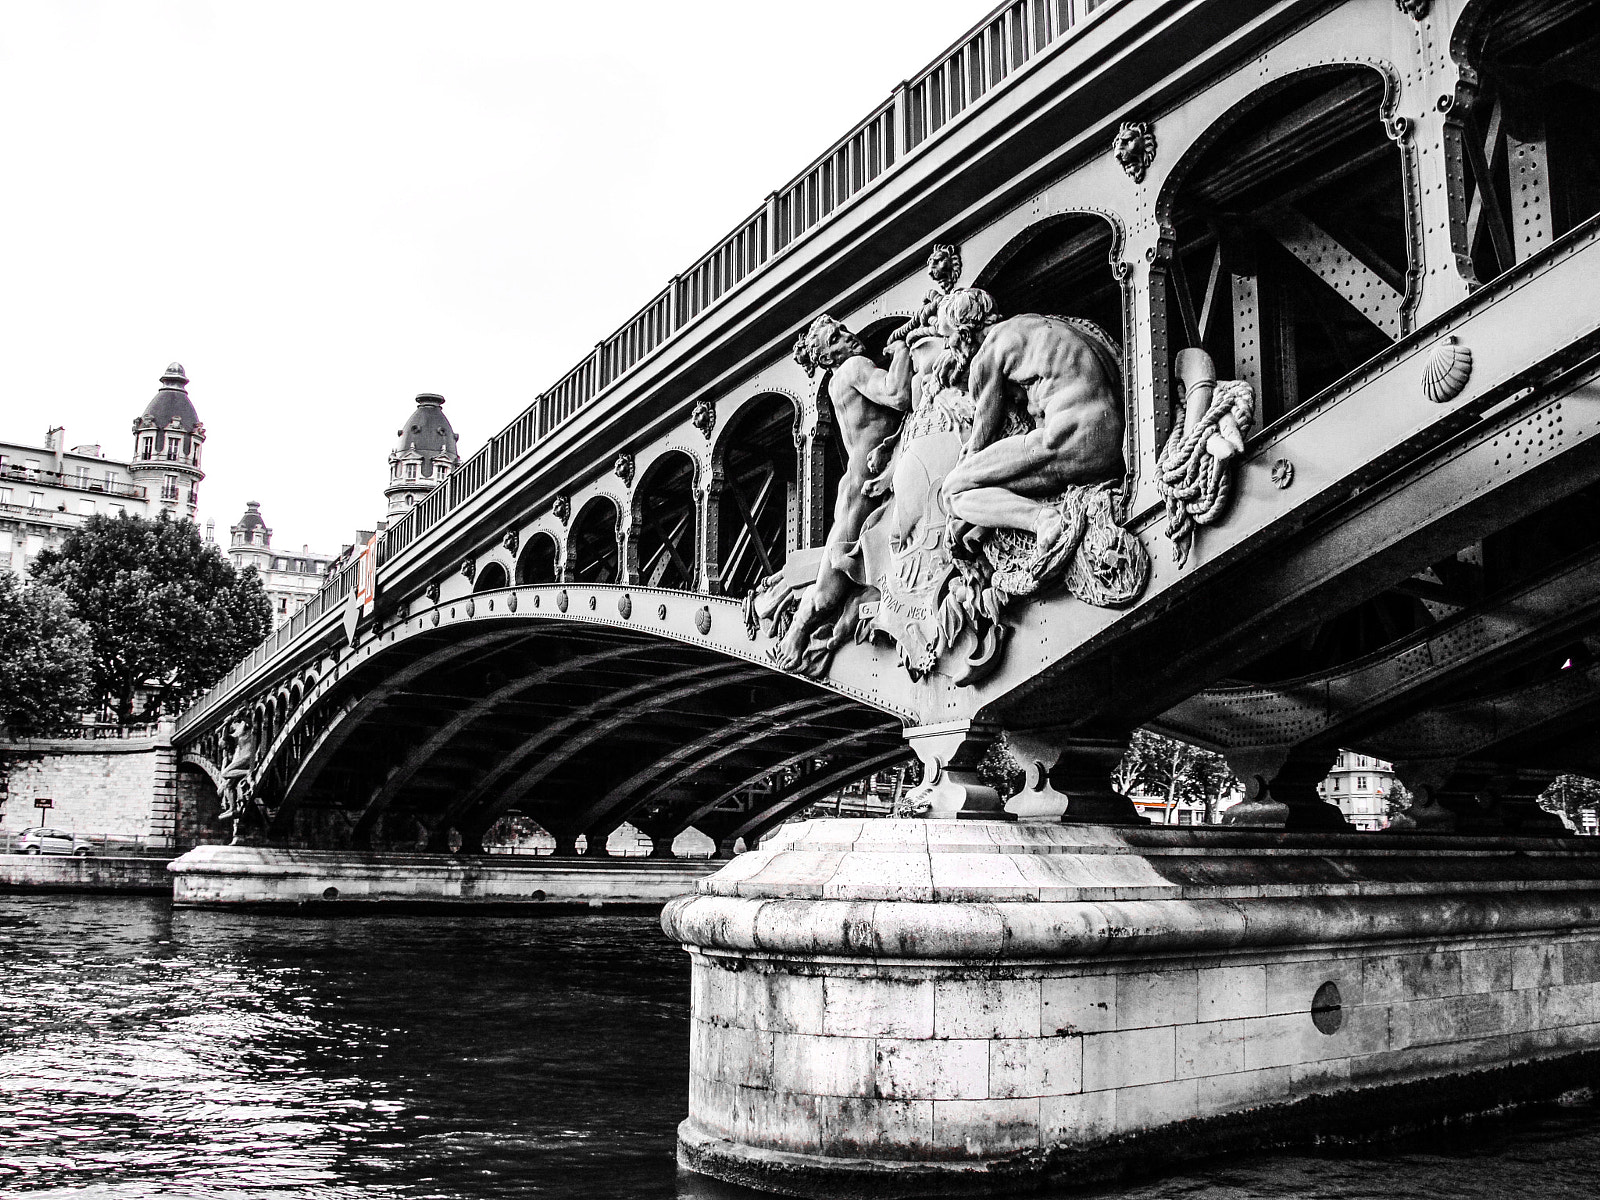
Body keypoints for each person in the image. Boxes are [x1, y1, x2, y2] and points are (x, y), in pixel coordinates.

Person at [936, 288, 1126, 580]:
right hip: (1113, 439)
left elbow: (981, 435)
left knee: (954, 490)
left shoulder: (988, 352)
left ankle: (1044, 520)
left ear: (964, 331)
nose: (948, 346)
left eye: (947, 337)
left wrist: (968, 466)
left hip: (1070, 438)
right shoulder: (1038, 324)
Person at [772, 316, 912, 670]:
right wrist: (902, 349)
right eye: (836, 339)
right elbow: (898, 394)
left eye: (844, 332)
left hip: (859, 483)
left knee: (835, 568)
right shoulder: (853, 368)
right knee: (830, 591)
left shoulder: (838, 382)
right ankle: (797, 631)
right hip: (864, 489)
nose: (849, 338)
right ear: (827, 358)